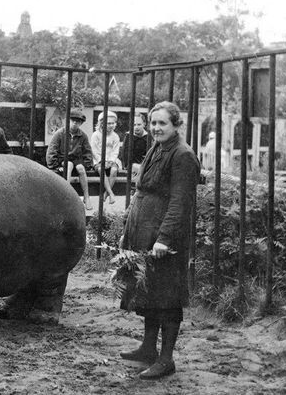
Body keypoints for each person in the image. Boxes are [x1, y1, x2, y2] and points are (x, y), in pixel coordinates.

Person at [118, 101, 200, 379]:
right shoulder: (157, 147)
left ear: (177, 125)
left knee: (167, 295)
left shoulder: (183, 155)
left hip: (165, 238)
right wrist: (129, 228)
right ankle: (148, 348)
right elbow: (142, 191)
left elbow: (180, 203)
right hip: (144, 231)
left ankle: (166, 359)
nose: (156, 128)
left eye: (162, 123)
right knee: (149, 290)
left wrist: (164, 239)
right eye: (153, 123)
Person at [46, 108, 94, 210]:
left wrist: (87, 164)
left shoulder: (82, 136)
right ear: (68, 121)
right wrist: (55, 165)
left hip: (76, 159)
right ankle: (67, 195)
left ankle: (86, 197)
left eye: (78, 122)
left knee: (81, 168)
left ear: (81, 123)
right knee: (69, 165)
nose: (74, 124)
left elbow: (88, 151)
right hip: (63, 159)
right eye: (72, 121)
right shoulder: (60, 133)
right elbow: (52, 149)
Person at [91, 111, 122, 204]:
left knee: (114, 171)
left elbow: (115, 151)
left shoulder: (115, 136)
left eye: (113, 123)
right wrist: (102, 160)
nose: (111, 125)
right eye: (108, 123)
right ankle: (111, 193)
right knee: (101, 169)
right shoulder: (96, 135)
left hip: (111, 160)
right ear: (102, 123)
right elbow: (94, 150)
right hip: (99, 160)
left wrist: (111, 161)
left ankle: (105, 194)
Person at [120, 112, 149, 182]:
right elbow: (125, 154)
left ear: (144, 124)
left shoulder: (148, 137)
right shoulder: (129, 136)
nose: (136, 127)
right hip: (131, 164)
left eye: (139, 124)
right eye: (134, 125)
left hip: (144, 164)